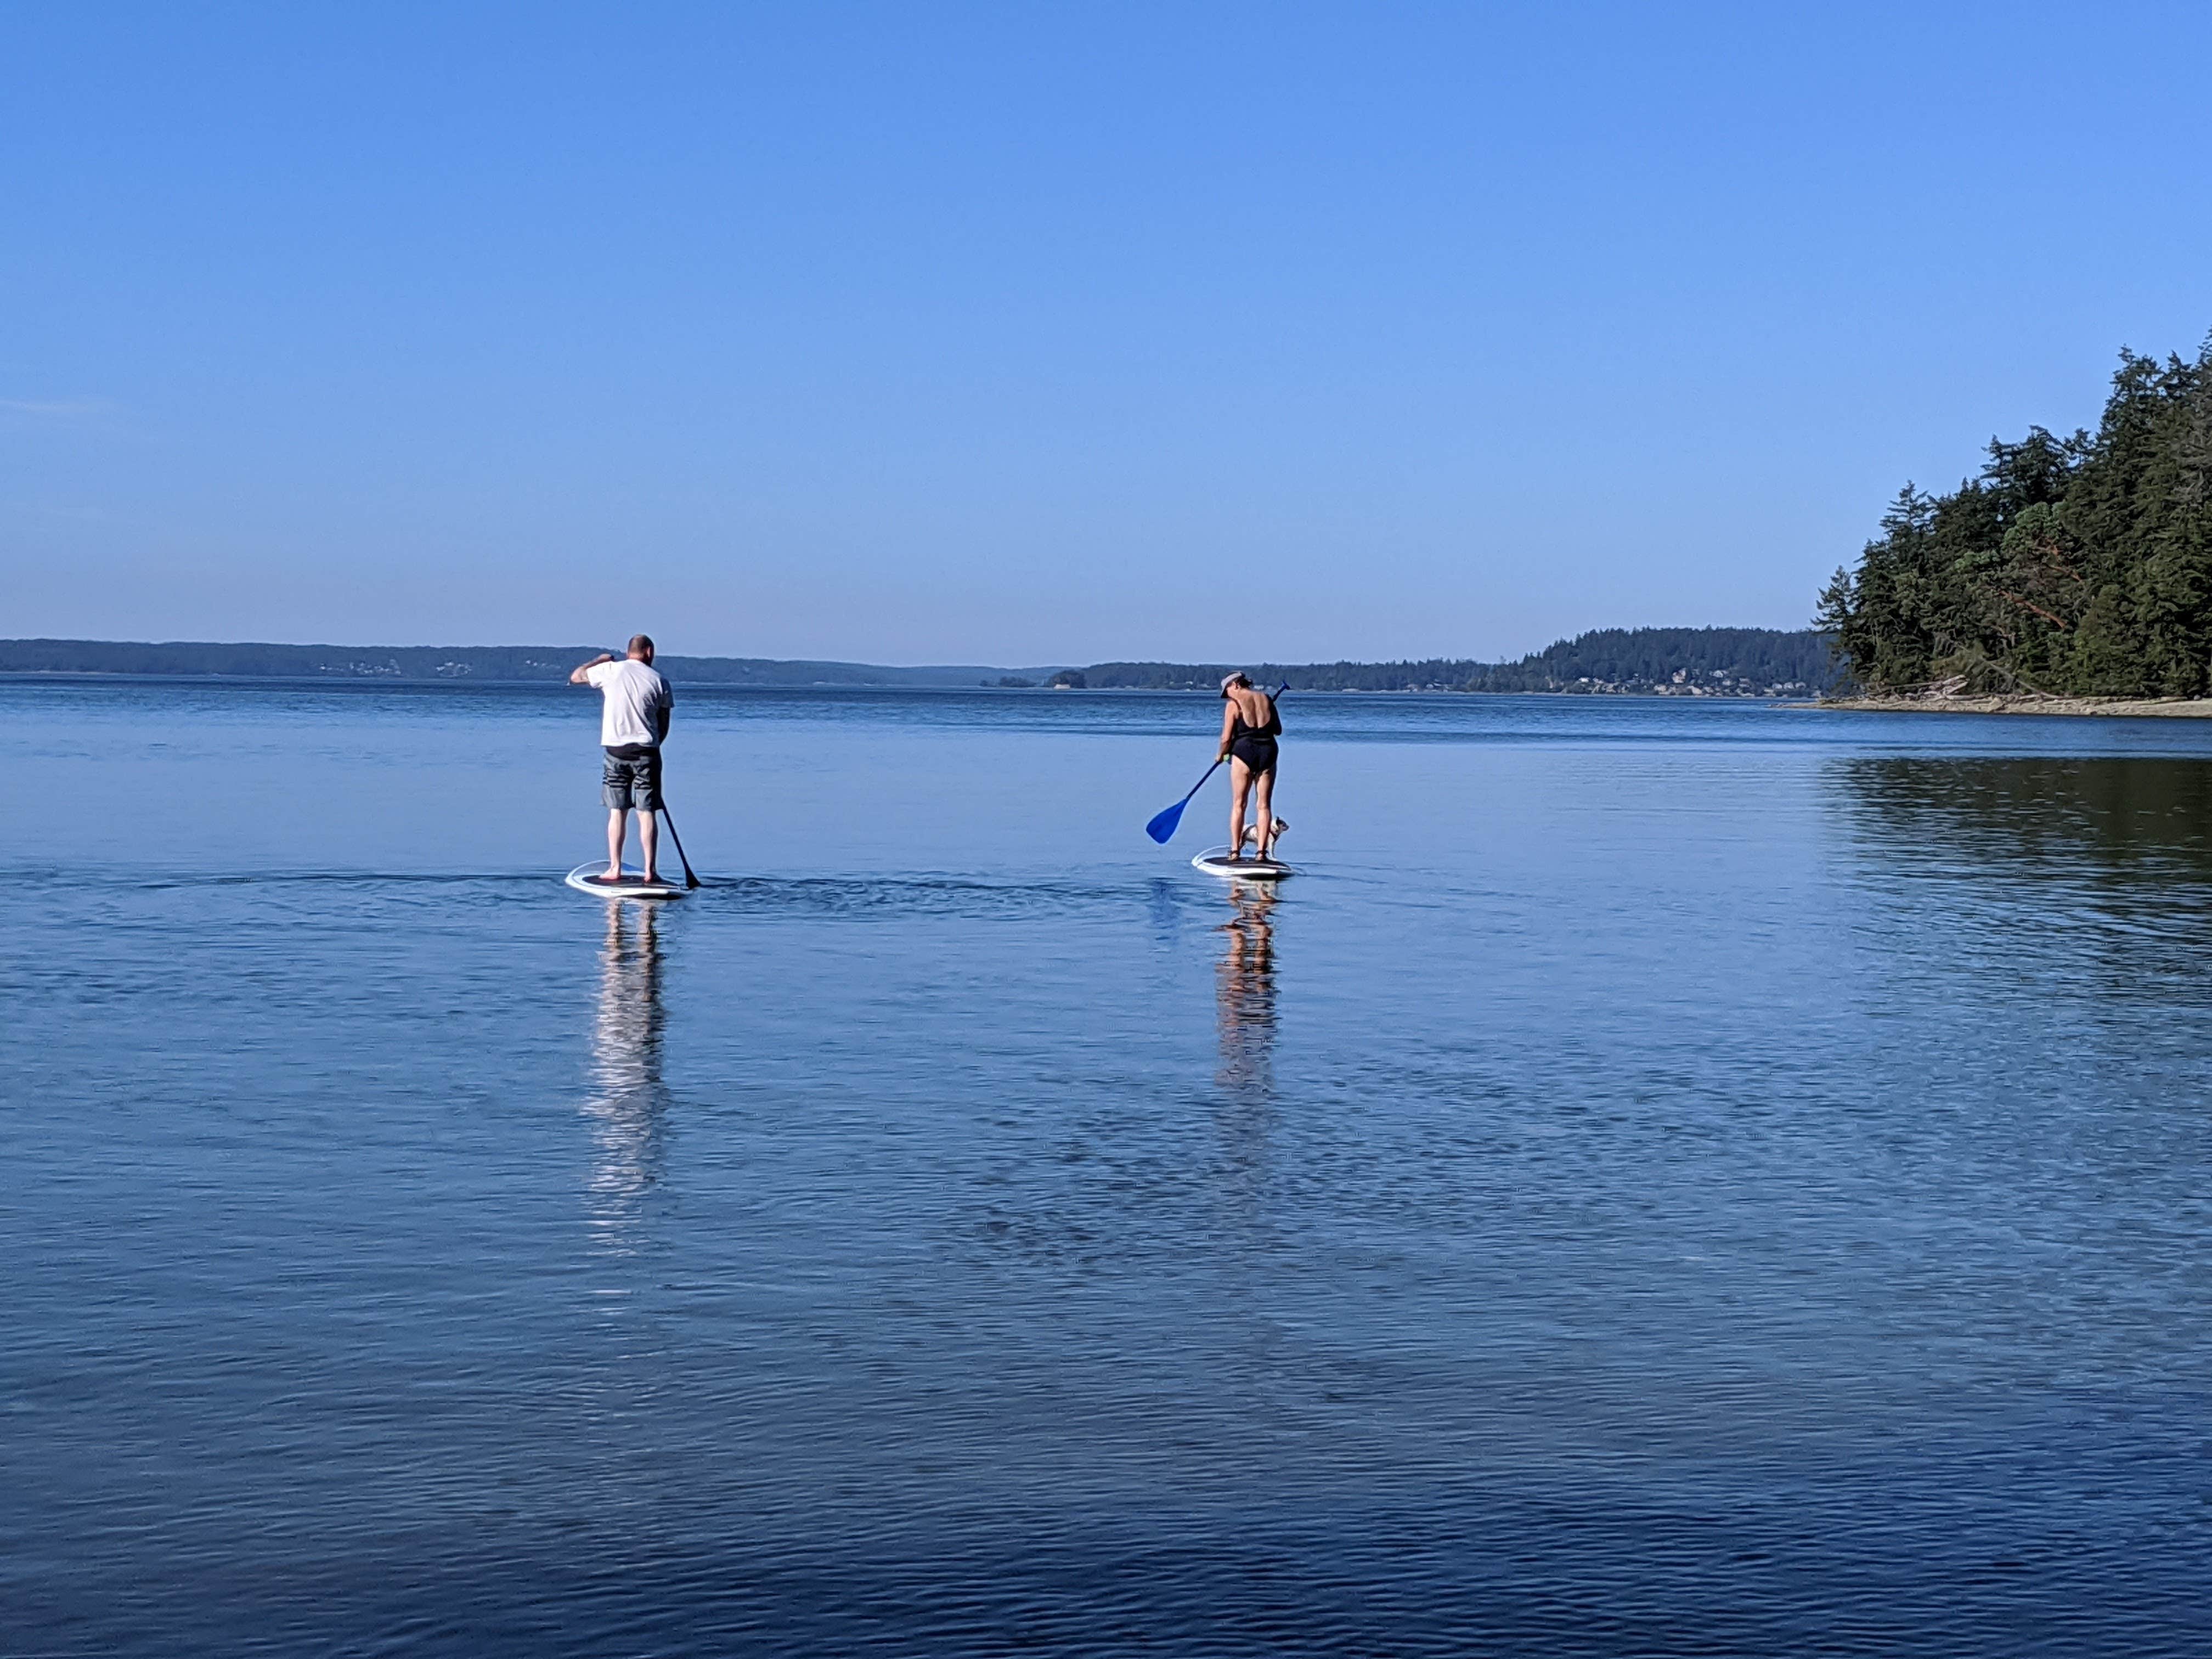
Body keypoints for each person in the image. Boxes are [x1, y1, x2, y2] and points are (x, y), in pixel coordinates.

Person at [571, 635, 674, 884]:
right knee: (647, 812)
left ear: (630, 652)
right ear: (648, 652)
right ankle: (651, 871)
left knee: (617, 811)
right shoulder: (659, 681)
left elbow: (576, 677)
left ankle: (615, 867)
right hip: (647, 752)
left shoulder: (609, 671)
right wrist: (654, 746)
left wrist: (599, 660)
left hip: (615, 752)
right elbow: (664, 725)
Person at [1216, 672, 1283, 861]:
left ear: (1236, 685)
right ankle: (1262, 853)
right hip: (1268, 753)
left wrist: (1220, 755)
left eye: (1227, 691)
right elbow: (1277, 730)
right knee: (1264, 805)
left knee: (1239, 804)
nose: (1227, 696)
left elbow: (1226, 738)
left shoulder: (1233, 705)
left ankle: (1235, 851)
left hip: (1244, 753)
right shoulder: (1266, 699)